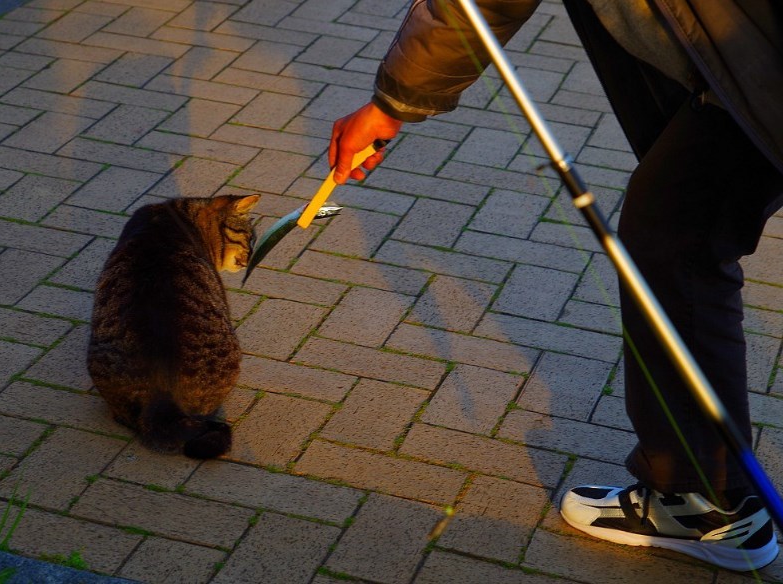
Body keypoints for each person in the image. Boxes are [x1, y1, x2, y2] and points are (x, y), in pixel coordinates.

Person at [328, 0, 782, 572]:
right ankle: (706, 499)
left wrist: (391, 101)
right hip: (737, 67)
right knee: (678, 233)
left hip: (756, 67)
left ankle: (703, 506)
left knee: (674, 236)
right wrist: (394, 100)